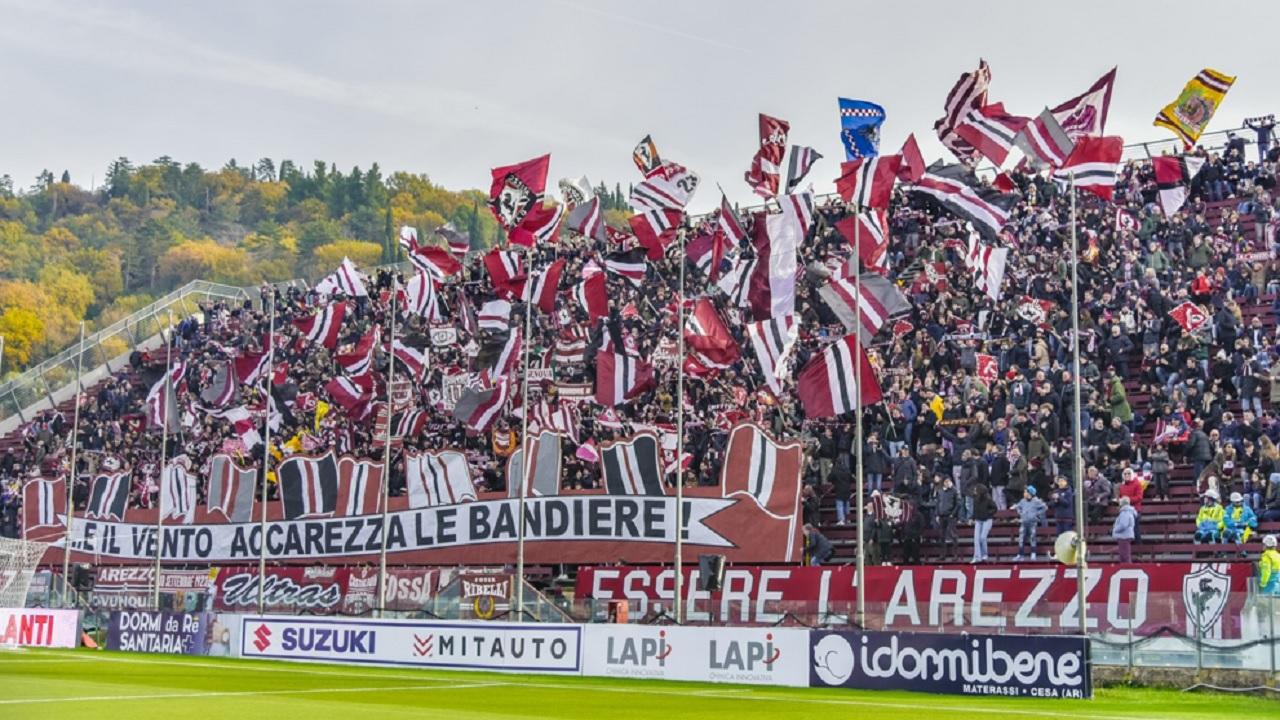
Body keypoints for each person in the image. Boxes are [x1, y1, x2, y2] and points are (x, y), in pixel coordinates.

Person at [1013, 487, 1047, 562]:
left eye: (1025, 492)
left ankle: (1033, 553)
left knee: (1032, 538)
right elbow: (1018, 507)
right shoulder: (1022, 501)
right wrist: (1020, 512)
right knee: (1021, 538)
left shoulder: (1036, 501)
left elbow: (1044, 507)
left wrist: (1037, 514)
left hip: (1032, 522)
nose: (1024, 494)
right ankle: (1020, 554)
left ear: (1030, 493)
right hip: (1023, 522)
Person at [934, 475, 960, 558]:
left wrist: (953, 514)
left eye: (948, 481)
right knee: (942, 536)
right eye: (946, 481)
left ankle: (955, 554)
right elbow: (938, 503)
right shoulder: (940, 491)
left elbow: (958, 503)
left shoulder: (954, 491)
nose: (947, 483)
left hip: (951, 516)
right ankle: (942, 554)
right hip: (941, 516)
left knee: (952, 534)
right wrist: (937, 514)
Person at [971, 483, 996, 564]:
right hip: (978, 520)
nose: (974, 491)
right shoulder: (975, 499)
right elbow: (974, 510)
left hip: (987, 520)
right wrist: (972, 518)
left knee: (982, 537)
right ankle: (977, 557)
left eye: (976, 490)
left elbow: (994, 508)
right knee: (976, 539)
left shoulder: (988, 499)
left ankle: (984, 555)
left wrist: (987, 514)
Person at [1112, 496, 1137, 563]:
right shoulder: (1127, 512)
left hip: (1124, 536)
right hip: (1125, 536)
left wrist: (1114, 529)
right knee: (1124, 555)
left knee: (1124, 556)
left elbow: (1123, 525)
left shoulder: (1125, 513)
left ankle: (1127, 569)